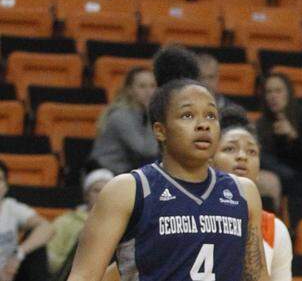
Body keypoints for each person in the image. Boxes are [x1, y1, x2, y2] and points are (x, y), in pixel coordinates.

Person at [65, 79, 268, 281]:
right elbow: (83, 276)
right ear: (160, 131)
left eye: (211, 115)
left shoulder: (243, 192)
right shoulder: (129, 190)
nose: (203, 125)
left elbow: (257, 276)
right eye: (188, 115)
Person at [213, 111, 292, 281]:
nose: (242, 156)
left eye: (252, 151)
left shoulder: (275, 229)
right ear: (209, 161)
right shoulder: (190, 212)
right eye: (230, 149)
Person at [90, 68, 159, 174]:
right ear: (129, 90)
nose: (149, 92)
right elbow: (147, 151)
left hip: (126, 172)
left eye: (152, 86)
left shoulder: (142, 113)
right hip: (104, 172)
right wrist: (153, 115)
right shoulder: (121, 116)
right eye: (142, 86)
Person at [47, 169, 114, 276]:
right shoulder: (65, 221)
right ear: (86, 195)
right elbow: (50, 258)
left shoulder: (122, 223)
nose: (101, 195)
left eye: (107, 190)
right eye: (96, 190)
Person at [0, 160, 54, 281]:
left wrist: (19, 253)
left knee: (36, 245)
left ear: (6, 187)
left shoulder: (11, 207)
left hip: (10, 272)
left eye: (0, 179)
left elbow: (47, 228)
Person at [196, 53, 247, 118]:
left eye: (211, 77)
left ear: (217, 77)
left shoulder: (234, 112)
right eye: (201, 78)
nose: (206, 83)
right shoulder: (184, 109)